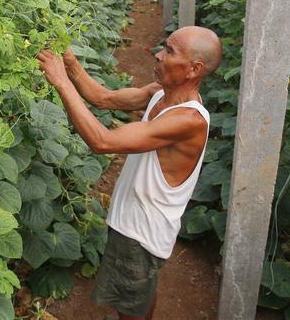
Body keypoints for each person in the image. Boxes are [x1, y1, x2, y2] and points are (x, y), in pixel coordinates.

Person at [36, 26, 222, 320]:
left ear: (193, 69)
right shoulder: (159, 94)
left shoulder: (188, 120)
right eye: (164, 47)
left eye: (170, 52)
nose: (159, 55)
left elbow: (102, 141)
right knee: (139, 294)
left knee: (129, 306)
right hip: (134, 223)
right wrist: (70, 64)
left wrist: (61, 82)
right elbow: (104, 98)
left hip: (140, 233)